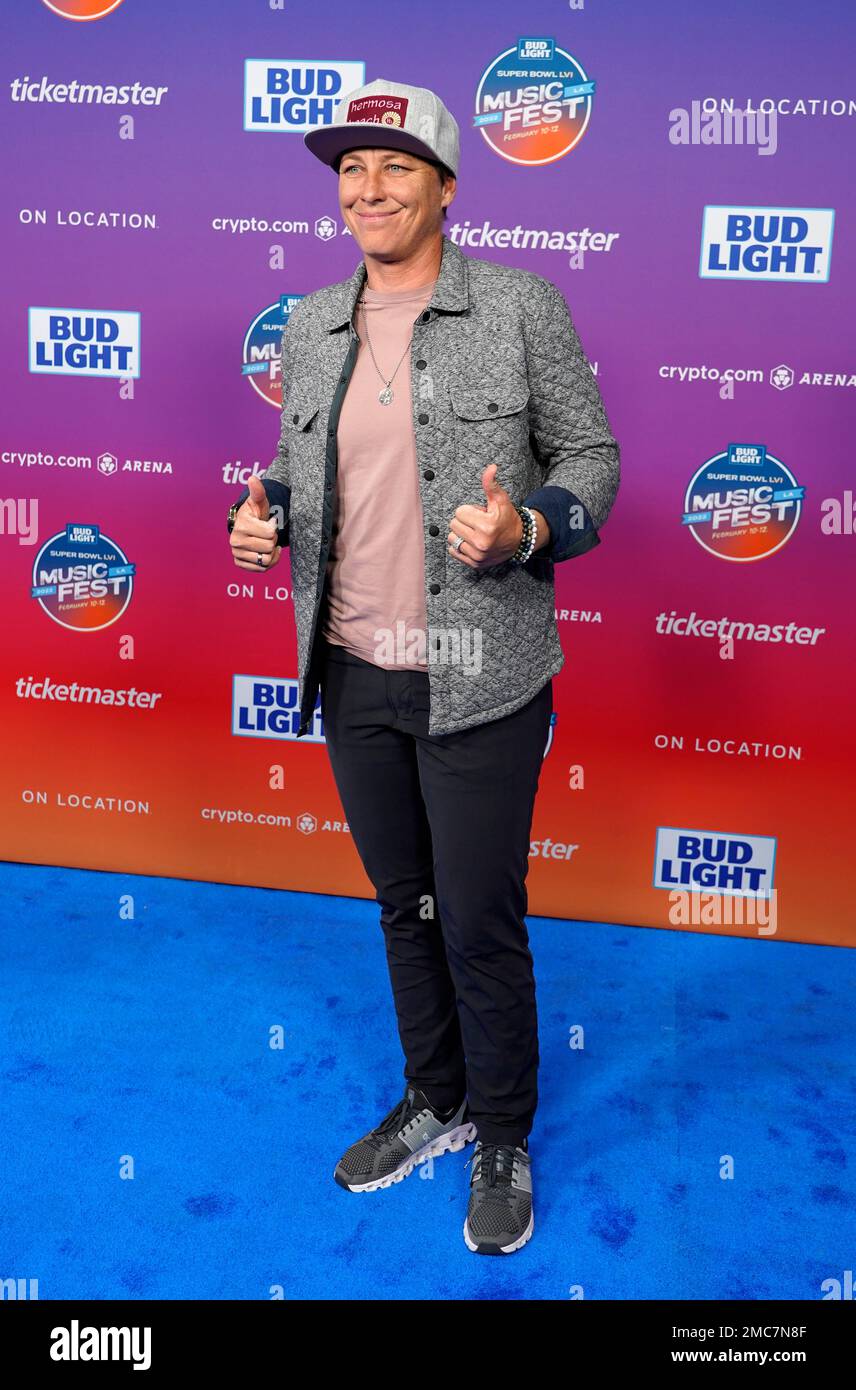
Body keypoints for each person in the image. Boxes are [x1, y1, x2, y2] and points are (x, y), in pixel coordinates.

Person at [227, 78, 620, 1255]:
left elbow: (592, 457)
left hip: (479, 664)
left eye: (395, 166)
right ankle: (435, 1097)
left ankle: (501, 1130)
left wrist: (530, 527)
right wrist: (269, 519)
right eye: (350, 169)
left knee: (479, 919)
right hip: (351, 661)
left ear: (446, 186)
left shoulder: (517, 306)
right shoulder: (308, 322)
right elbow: (319, 476)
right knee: (405, 904)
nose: (368, 188)